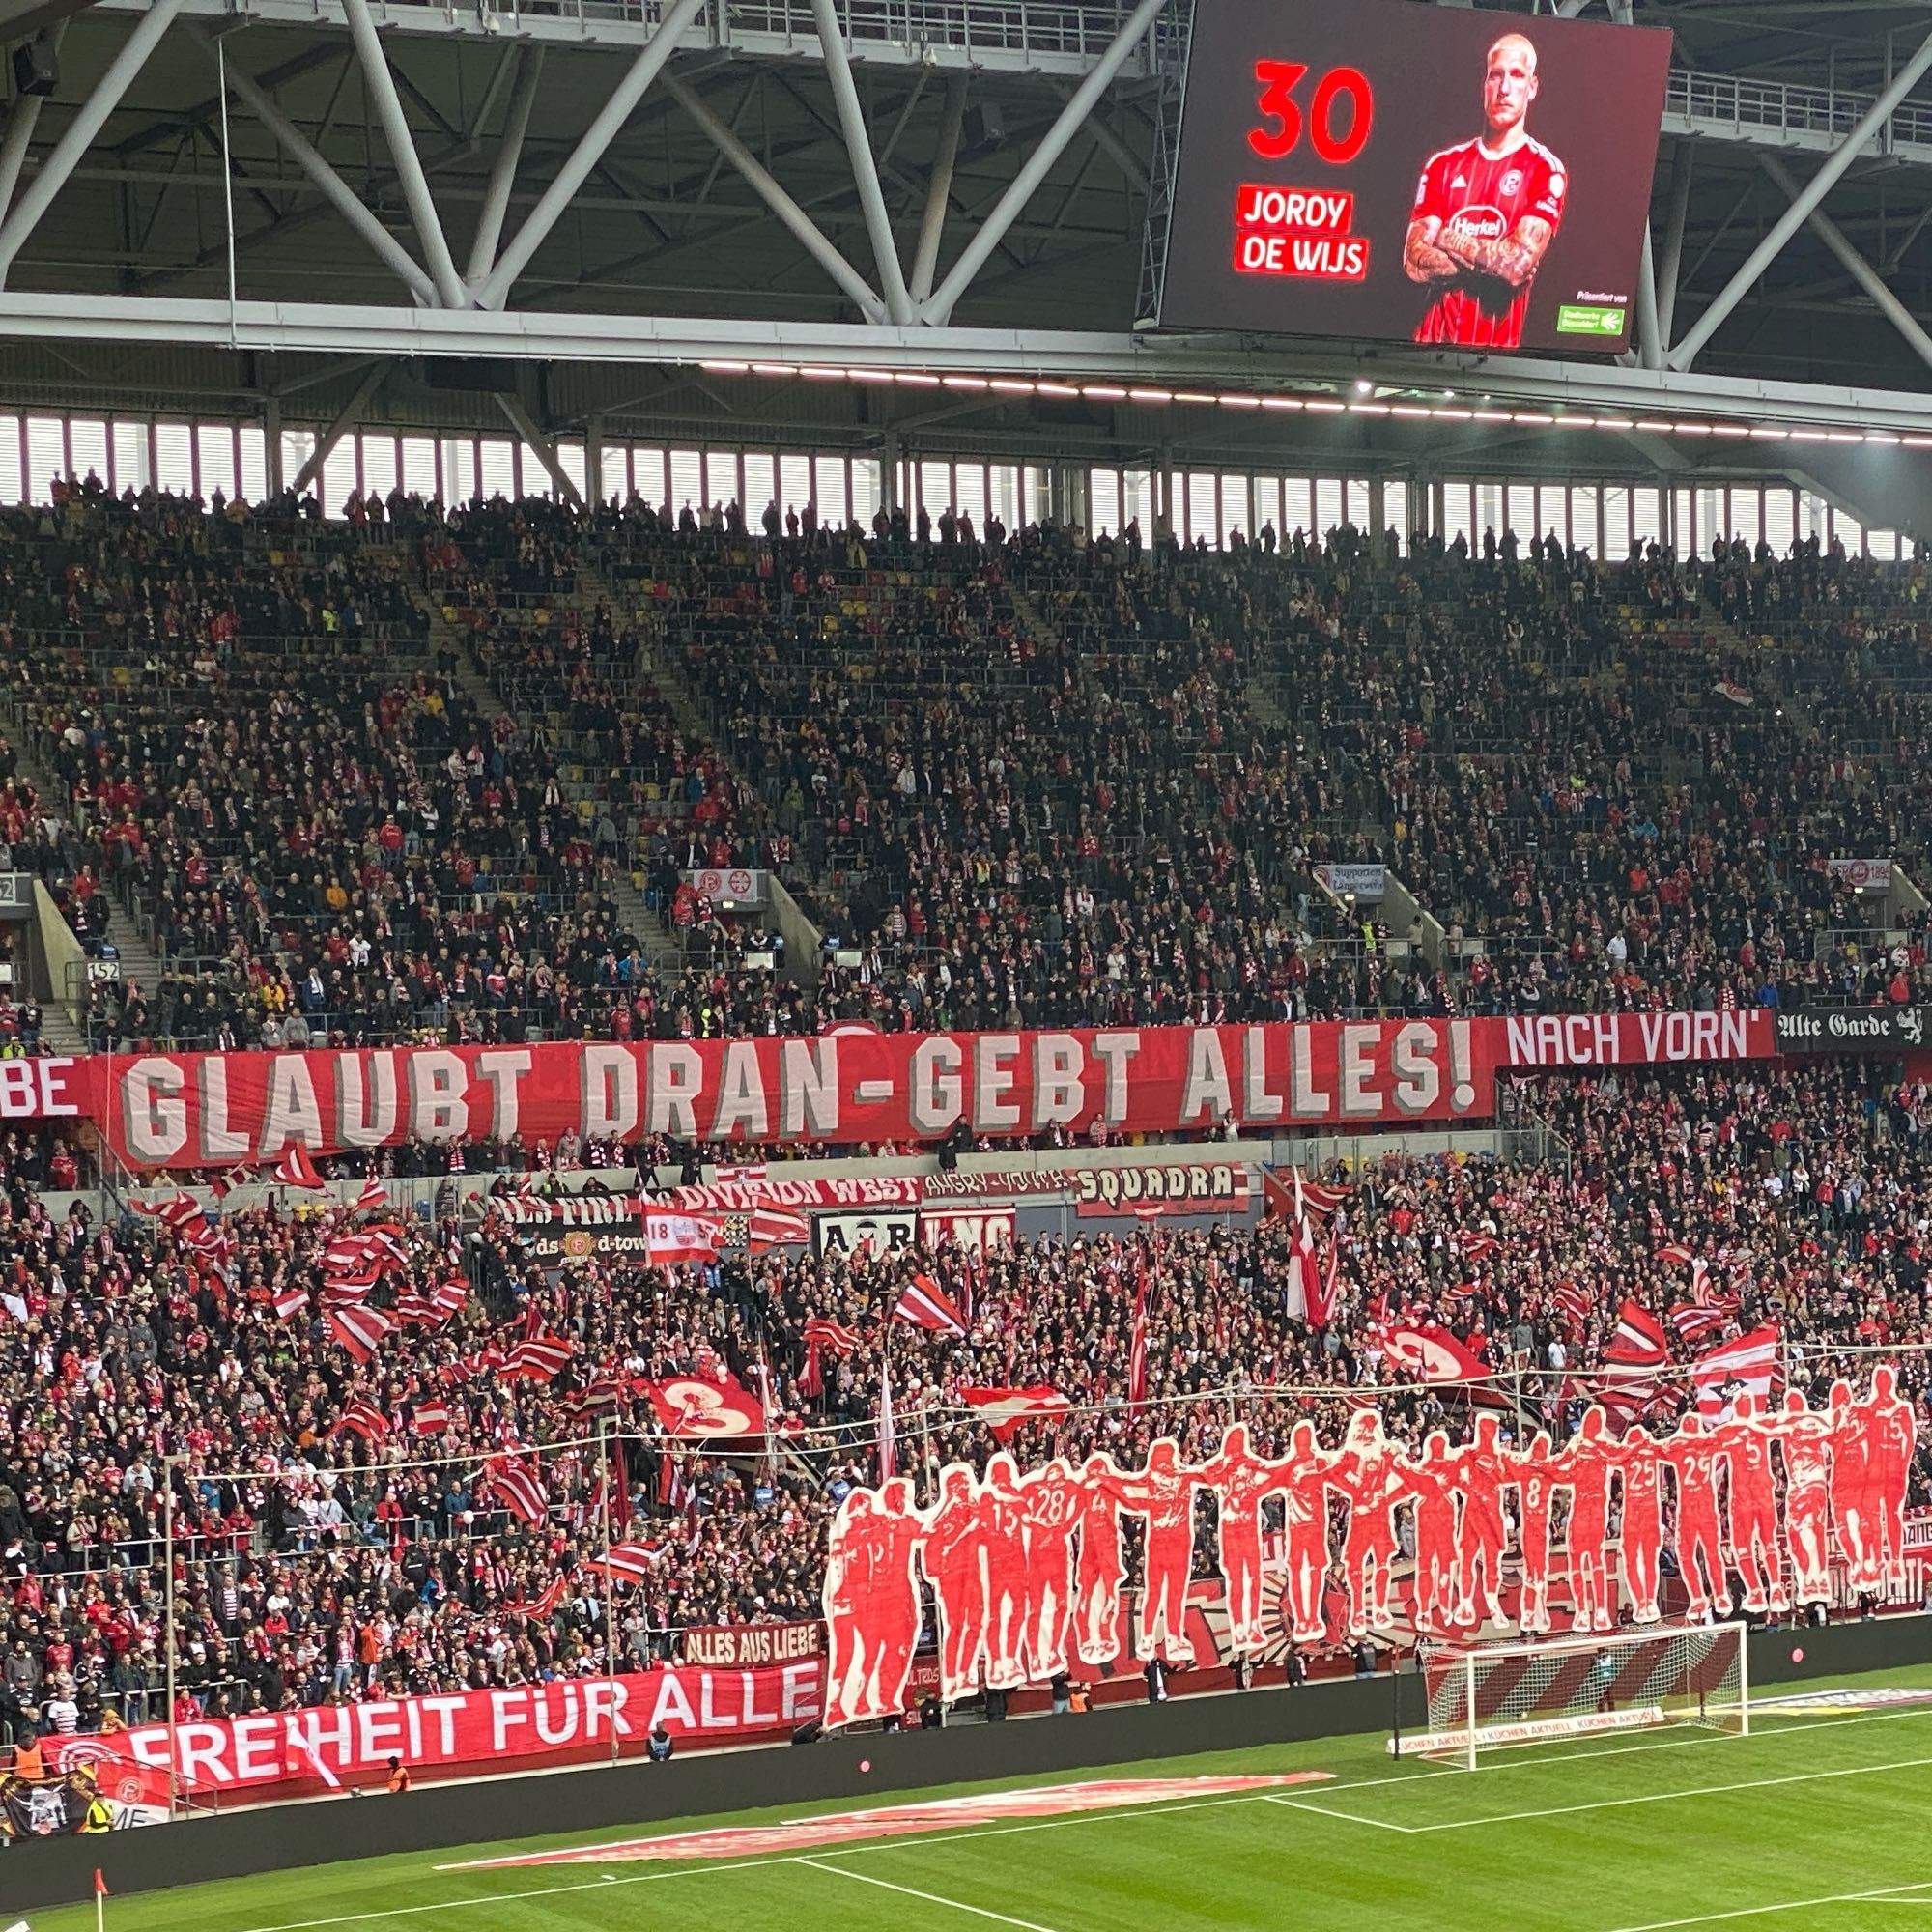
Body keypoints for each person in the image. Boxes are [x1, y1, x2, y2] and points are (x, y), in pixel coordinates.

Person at [1404, 31, 1566, 349]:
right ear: (1484, 85)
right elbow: (1413, 262)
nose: (1504, 89)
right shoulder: (1443, 165)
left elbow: (1513, 267)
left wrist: (1444, 237)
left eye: (1517, 76)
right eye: (1496, 76)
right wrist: (1492, 259)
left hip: (1495, 359)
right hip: (1423, 347)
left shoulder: (1545, 169)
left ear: (1532, 88)